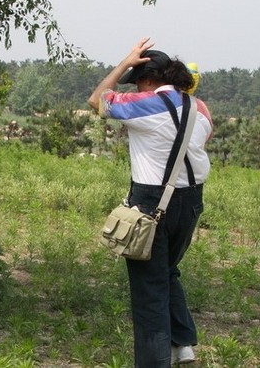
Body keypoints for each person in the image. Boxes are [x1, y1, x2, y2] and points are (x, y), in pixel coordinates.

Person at [87, 37, 213, 367]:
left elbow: (96, 100)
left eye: (138, 80)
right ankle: (182, 342)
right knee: (167, 271)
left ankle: (156, 361)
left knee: (149, 294)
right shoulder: (198, 108)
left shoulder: (145, 104)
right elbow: (204, 136)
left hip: (150, 201)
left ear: (147, 80)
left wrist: (125, 62)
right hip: (191, 201)